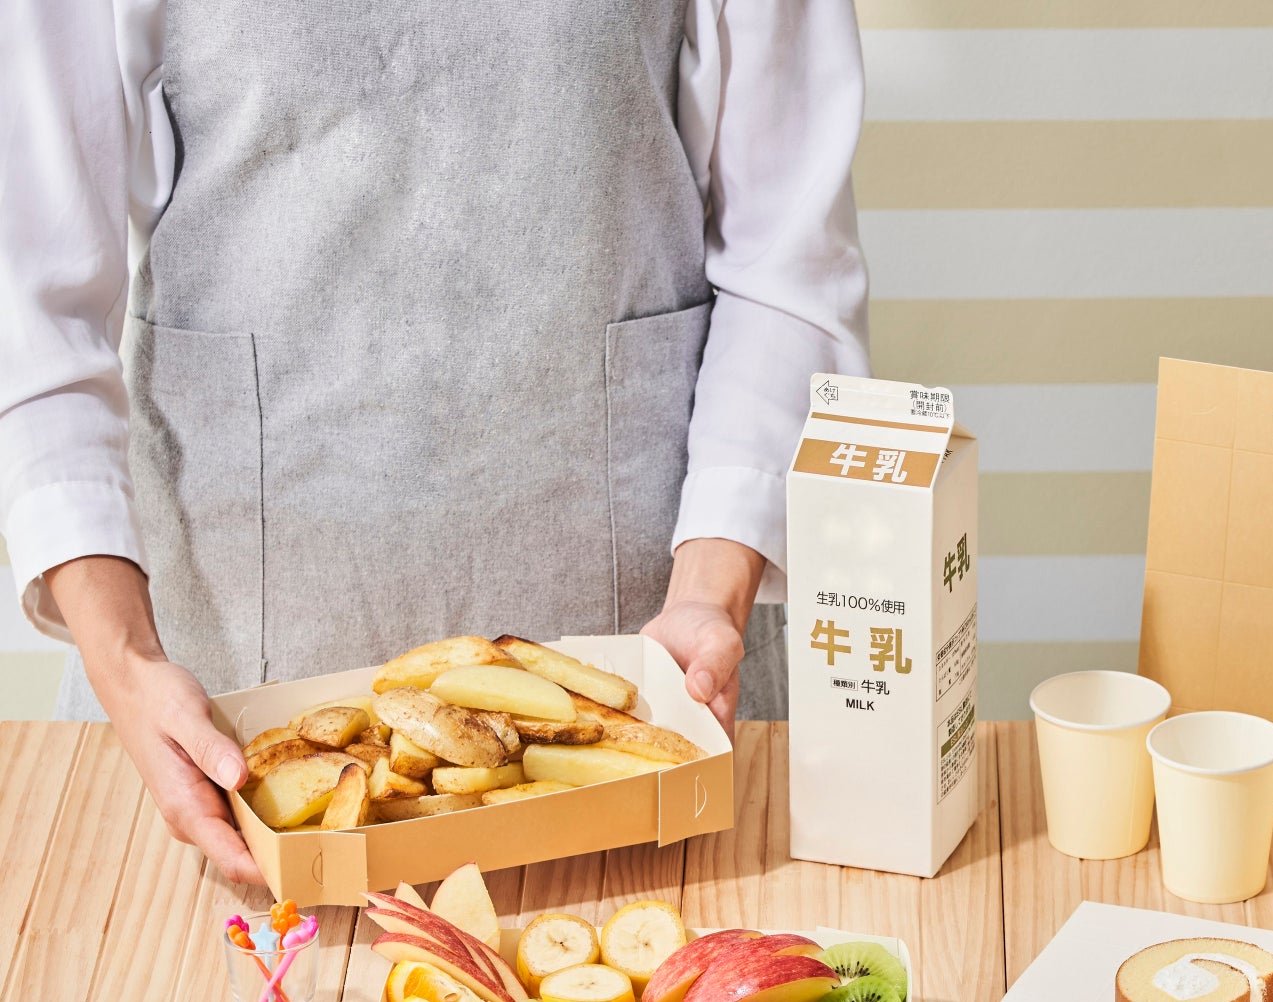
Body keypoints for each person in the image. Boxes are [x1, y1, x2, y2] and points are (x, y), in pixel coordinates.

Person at [1, 0, 870, 884]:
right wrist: (126, 661)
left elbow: (787, 262)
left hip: (651, 710)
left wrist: (711, 596)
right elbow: (29, 305)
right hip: (207, 729)